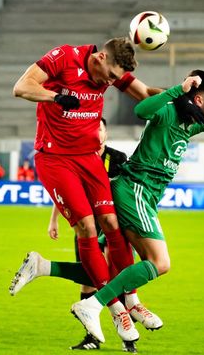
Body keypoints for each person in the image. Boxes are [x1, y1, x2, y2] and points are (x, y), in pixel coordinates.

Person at [9, 70, 204, 346]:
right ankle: (96, 304)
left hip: (142, 195)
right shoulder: (168, 110)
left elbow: (187, 129)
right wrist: (179, 88)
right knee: (160, 263)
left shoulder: (188, 120)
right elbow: (142, 109)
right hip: (135, 191)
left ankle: (45, 267)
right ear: (199, 99)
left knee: (112, 270)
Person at [48, 117, 129, 351]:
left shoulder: (118, 158)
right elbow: (65, 191)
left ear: (106, 133)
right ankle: (91, 338)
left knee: (117, 280)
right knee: (87, 281)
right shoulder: (77, 158)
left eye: (100, 129)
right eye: (92, 130)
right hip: (84, 227)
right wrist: (54, 220)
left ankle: (128, 338)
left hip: (112, 227)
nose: (97, 134)